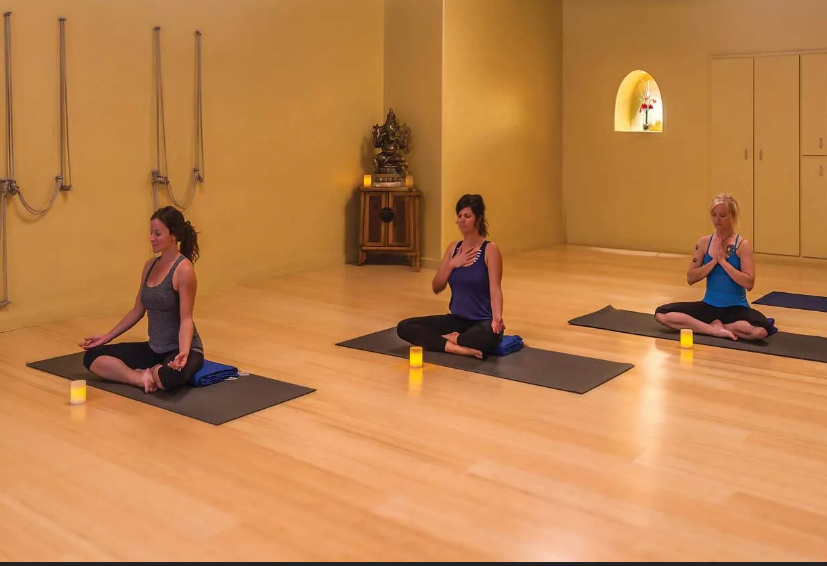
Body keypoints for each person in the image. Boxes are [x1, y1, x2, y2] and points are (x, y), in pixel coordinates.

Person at [81, 206, 205, 393]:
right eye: (150, 233)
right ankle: (140, 378)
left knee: (168, 379)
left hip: (181, 349)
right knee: (92, 357)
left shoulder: (184, 270)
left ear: (173, 235)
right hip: (154, 349)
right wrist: (107, 337)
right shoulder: (149, 266)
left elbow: (186, 318)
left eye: (157, 233)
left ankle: (155, 373)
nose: (151, 238)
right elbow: (137, 311)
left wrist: (184, 352)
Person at [397, 194, 504, 358]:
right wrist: (452, 264)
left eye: (467, 216)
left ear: (479, 218)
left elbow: (495, 288)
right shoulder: (453, 248)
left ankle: (450, 340)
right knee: (404, 327)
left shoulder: (490, 250)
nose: (462, 220)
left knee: (490, 335)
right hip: (456, 320)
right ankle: (458, 347)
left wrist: (497, 318)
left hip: (481, 322)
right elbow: (436, 286)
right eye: (459, 215)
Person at [654, 193, 773, 341]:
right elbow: (691, 278)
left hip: (736, 308)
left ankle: (719, 327)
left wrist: (723, 262)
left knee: (760, 331)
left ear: (732, 216)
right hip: (708, 306)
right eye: (714, 214)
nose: (717, 219)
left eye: (722, 215)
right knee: (661, 314)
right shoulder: (704, 243)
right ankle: (713, 330)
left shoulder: (742, 245)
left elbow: (749, 283)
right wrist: (712, 262)